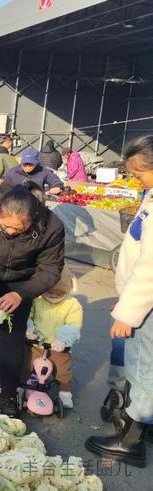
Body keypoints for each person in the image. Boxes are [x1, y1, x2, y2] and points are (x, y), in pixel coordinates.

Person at [0, 186, 65, 417]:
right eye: (5, 225)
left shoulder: (51, 227)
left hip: (22, 282)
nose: (10, 231)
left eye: (18, 229)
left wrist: (23, 294)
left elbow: (50, 269)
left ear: (33, 219)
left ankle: (8, 389)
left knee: (13, 335)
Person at [86, 136, 153, 468]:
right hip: (142, 301)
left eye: (139, 175)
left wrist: (128, 312)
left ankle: (131, 440)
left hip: (146, 304)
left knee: (144, 369)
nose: (136, 181)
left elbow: (150, 267)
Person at [25, 266, 82, 409]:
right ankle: (21, 385)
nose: (53, 296)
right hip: (37, 343)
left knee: (63, 369)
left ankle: (64, 393)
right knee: (25, 363)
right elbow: (28, 315)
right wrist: (30, 329)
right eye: (50, 292)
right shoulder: (37, 299)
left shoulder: (72, 305)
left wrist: (63, 340)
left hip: (58, 346)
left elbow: (73, 325)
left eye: (59, 293)